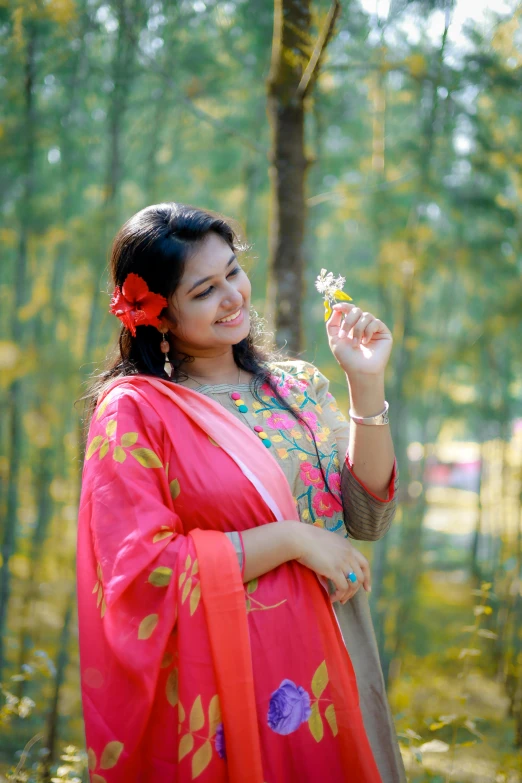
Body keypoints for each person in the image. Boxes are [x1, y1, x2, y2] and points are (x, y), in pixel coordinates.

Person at [77, 202, 406, 782]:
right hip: (237, 677)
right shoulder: (137, 412)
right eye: (204, 290)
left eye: (233, 271)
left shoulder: (296, 387)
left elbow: (367, 518)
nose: (233, 297)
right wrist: (290, 539)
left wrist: (365, 382)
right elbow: (142, 569)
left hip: (341, 653)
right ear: (155, 312)